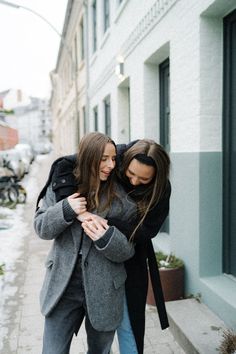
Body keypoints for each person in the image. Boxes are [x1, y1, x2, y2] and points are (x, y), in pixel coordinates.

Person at [36, 137, 171, 354]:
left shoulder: (125, 201)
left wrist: (106, 237)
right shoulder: (63, 185)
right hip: (62, 287)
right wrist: (67, 209)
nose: (110, 165)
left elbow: (129, 248)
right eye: (104, 159)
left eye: (113, 159)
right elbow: (41, 227)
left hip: (105, 290)